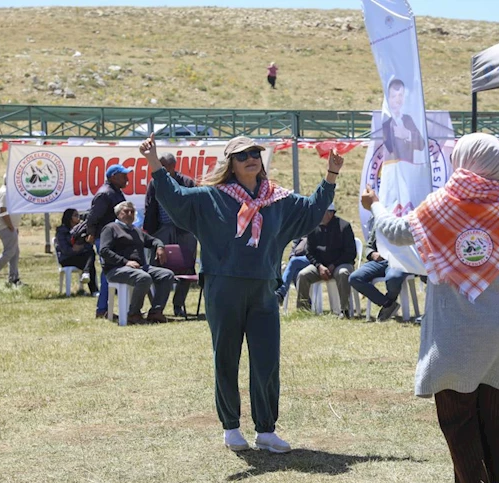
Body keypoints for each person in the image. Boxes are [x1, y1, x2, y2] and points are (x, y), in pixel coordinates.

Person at [362, 133, 499, 483]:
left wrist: (373, 203)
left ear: (462, 159)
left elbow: (394, 232)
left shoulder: (442, 203)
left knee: (459, 423)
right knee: (496, 425)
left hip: (457, 334)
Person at [139, 133, 341, 453]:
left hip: (263, 289)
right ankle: (231, 427)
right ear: (230, 164)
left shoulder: (277, 199)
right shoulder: (211, 197)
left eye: (255, 153)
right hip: (224, 287)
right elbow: (175, 197)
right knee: (226, 357)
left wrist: (331, 174)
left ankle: (266, 430)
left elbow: (312, 210)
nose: (251, 157)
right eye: (242, 154)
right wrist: (153, 162)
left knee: (266, 360)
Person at [100, 201, 174, 325]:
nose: (130, 214)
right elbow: (104, 251)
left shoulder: (136, 230)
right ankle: (133, 314)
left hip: (140, 268)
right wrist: (125, 262)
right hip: (116, 269)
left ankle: (155, 312)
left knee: (167, 275)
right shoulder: (110, 228)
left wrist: (160, 247)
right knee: (143, 278)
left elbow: (153, 240)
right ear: (118, 214)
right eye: (126, 211)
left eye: (132, 212)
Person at [144, 152, 198, 317]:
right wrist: (150, 231)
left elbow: (194, 205)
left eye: (162, 165)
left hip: (184, 230)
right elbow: (149, 207)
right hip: (161, 230)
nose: (158, 167)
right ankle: (157, 307)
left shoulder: (187, 182)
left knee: (187, 268)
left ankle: (178, 305)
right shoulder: (154, 183)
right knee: (154, 266)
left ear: (172, 166)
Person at [296, 203, 357, 317]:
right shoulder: (313, 227)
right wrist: (319, 266)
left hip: (341, 264)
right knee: (303, 275)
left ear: (330, 214)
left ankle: (345, 310)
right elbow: (309, 252)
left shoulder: (344, 226)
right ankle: (303, 311)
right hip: (321, 266)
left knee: (343, 273)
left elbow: (350, 252)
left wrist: (334, 264)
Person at [86, 164, 129, 318]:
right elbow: (92, 217)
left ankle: (112, 308)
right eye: (124, 175)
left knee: (111, 274)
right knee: (108, 274)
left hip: (114, 240)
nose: (127, 178)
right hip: (105, 241)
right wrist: (91, 233)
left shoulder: (116, 192)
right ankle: (102, 309)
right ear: (114, 177)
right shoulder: (105, 194)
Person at [348, 218, 409, 321]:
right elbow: (368, 247)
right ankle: (388, 304)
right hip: (378, 261)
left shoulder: (404, 221)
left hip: (397, 261)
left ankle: (389, 302)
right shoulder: (380, 221)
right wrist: (372, 253)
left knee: (393, 277)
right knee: (355, 278)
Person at [55, 208, 98, 295]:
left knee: (90, 254)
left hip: (80, 256)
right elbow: (65, 249)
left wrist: (80, 247)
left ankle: (87, 275)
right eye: (75, 215)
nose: (78, 217)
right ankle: (94, 290)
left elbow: (88, 245)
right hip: (66, 258)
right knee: (89, 260)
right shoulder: (61, 231)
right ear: (69, 218)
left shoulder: (82, 229)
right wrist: (74, 250)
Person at [382, 78, 423, 163]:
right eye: (394, 96)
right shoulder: (385, 122)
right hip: (392, 170)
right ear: (388, 99)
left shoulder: (408, 119)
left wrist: (407, 134)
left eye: (400, 95)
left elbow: (421, 145)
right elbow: (389, 148)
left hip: (408, 169)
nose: (398, 99)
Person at [0, 178, 22, 285]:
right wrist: (11, 227)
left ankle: (13, 279)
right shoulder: (4, 192)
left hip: (10, 227)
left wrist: (14, 227)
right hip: (6, 228)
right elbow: (3, 211)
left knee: (15, 252)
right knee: (9, 253)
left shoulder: (7, 191)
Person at [274, 237, 310, 305]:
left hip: (313, 258)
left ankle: (280, 293)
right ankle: (306, 303)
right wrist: (292, 255)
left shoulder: (315, 229)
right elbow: (295, 245)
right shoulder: (301, 230)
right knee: (296, 273)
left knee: (293, 262)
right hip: (300, 260)